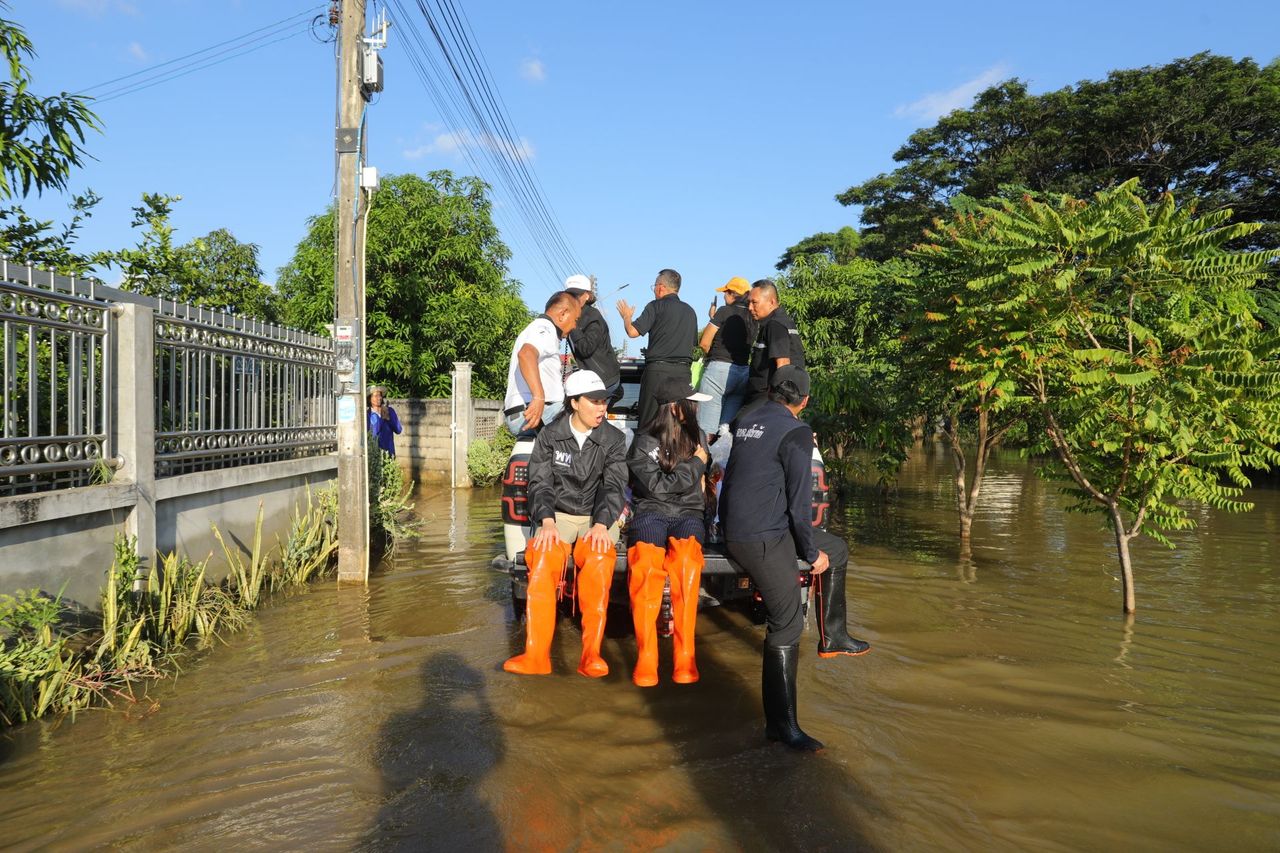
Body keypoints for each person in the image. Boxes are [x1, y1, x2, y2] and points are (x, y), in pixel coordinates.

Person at [719, 366, 870, 752]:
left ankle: (834, 635)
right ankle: (782, 727)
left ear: (772, 393)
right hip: (763, 539)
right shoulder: (797, 432)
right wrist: (808, 553)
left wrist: (819, 550)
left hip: (735, 529)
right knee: (785, 626)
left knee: (837, 549)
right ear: (803, 401)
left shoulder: (749, 418)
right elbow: (802, 504)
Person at [504, 370, 629, 678]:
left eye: (604, 402)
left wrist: (602, 524)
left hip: (596, 515)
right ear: (575, 403)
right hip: (558, 514)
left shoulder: (614, 439)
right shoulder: (550, 435)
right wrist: (546, 521)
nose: (602, 408)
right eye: (595, 401)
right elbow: (540, 483)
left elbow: (613, 486)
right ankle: (535, 656)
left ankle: (591, 654)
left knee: (599, 558)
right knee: (543, 556)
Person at [625, 376, 713, 687]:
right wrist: (696, 465)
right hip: (652, 512)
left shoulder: (698, 436)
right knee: (646, 565)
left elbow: (697, 488)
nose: (697, 410)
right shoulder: (643, 443)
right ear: (676, 409)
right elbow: (658, 490)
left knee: (688, 561)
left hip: (688, 514)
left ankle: (684, 655)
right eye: (692, 405)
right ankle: (647, 656)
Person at [617, 268, 698, 429]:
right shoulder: (691, 311)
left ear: (661, 287)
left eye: (654, 286)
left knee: (649, 422)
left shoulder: (655, 306)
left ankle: (643, 453)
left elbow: (632, 332)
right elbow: (693, 343)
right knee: (677, 425)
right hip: (683, 374)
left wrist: (627, 317)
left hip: (658, 373)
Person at [503, 291, 582, 435]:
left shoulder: (536, 329)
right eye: (576, 320)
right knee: (590, 426)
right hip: (536, 412)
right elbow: (526, 354)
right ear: (563, 313)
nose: (575, 326)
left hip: (528, 412)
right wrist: (538, 396)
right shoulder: (545, 329)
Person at [696, 276, 757, 438]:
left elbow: (704, 343)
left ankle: (702, 462)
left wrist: (713, 357)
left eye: (725, 292)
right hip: (743, 373)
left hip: (718, 372)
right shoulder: (753, 316)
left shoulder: (724, 311)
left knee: (706, 431)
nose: (723, 296)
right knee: (725, 433)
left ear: (732, 294)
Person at [744, 279, 806, 408]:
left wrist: (779, 406)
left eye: (754, 302)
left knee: (739, 425)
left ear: (771, 302)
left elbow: (783, 365)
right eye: (749, 302)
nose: (750, 308)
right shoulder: (782, 321)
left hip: (767, 400)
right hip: (770, 399)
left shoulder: (775, 325)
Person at [564, 274, 621, 403]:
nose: (573, 299)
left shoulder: (592, 317)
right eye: (570, 295)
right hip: (593, 378)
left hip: (604, 379)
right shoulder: (576, 315)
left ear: (587, 295)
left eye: (577, 295)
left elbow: (586, 348)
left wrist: (572, 326)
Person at [367, 386, 403, 456]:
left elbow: (398, 430)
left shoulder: (390, 411)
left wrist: (389, 418)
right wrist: (382, 419)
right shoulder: (368, 415)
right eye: (375, 396)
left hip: (389, 453)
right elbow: (373, 434)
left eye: (380, 395)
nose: (379, 398)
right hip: (374, 454)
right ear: (369, 399)